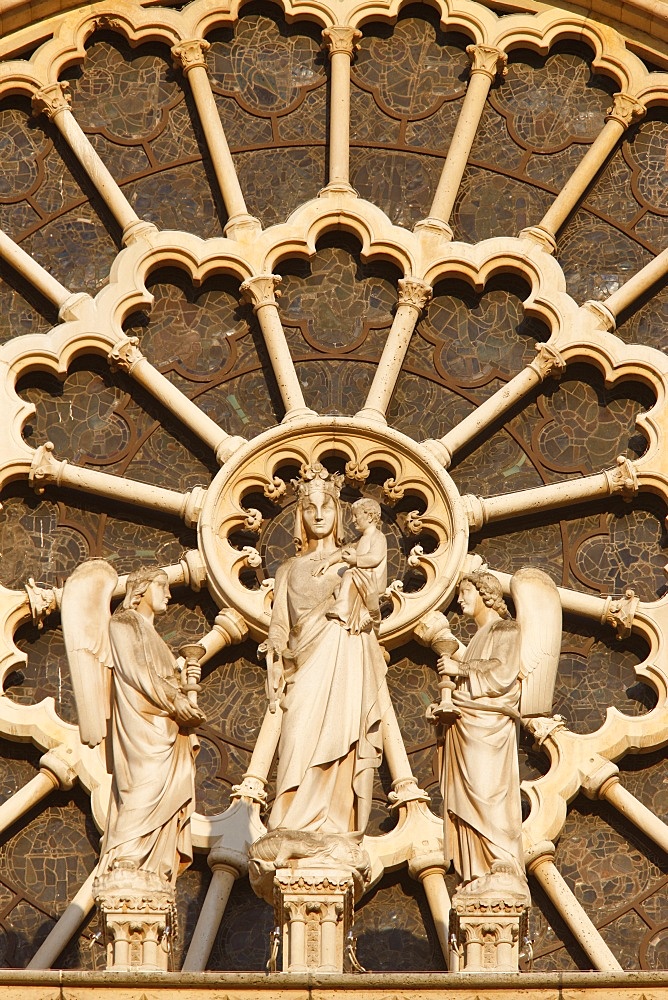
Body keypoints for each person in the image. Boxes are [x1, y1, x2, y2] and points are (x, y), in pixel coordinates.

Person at [263, 465, 389, 836]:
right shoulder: (288, 569)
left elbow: (372, 596)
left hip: (345, 657)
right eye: (309, 508)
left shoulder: (356, 554)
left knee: (343, 734)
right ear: (299, 516)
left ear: (338, 514)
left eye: (327, 507)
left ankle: (335, 819)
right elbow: (280, 625)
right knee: (298, 736)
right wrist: (273, 646)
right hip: (303, 665)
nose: (318, 515)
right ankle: (292, 817)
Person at [99, 567, 204, 885]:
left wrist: (184, 685)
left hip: (165, 727)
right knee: (144, 786)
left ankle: (152, 861)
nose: (169, 593)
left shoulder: (154, 635)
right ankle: (128, 854)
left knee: (160, 789)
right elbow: (138, 673)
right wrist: (176, 700)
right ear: (141, 589)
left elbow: (157, 675)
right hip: (144, 725)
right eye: (162, 585)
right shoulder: (123, 623)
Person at [437, 571, 528, 896]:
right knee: (470, 794)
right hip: (465, 727)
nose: (460, 599)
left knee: (488, 790)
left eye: (465, 591)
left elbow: (503, 673)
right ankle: (476, 869)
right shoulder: (477, 637)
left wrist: (459, 670)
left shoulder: (506, 628)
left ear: (485, 594)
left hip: (488, 728)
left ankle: (500, 857)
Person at [317, 497, 388, 635]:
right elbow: (343, 551)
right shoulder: (360, 539)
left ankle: (342, 609)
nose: (353, 520)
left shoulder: (378, 537)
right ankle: (359, 613)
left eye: (356, 515)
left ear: (370, 516)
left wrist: (356, 559)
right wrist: (328, 561)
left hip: (371, 580)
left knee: (348, 575)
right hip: (361, 578)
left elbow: (375, 557)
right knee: (338, 587)